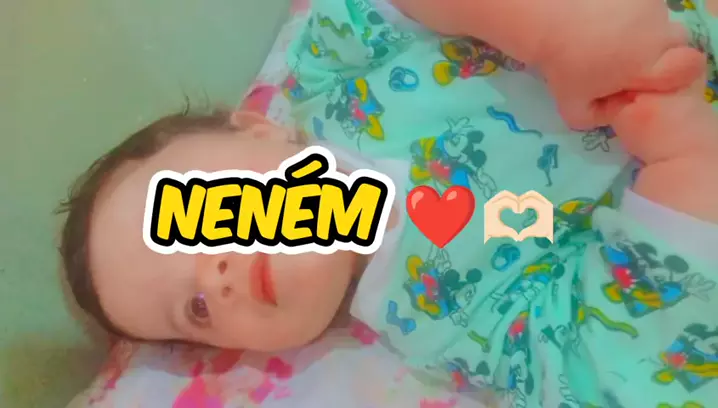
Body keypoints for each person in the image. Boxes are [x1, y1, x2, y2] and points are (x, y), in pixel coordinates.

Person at [58, 0, 718, 406]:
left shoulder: (332, 73)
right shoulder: (433, 318)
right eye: (196, 310)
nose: (215, 272)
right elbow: (595, 364)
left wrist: (553, 29)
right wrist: (683, 158)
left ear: (258, 130)